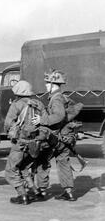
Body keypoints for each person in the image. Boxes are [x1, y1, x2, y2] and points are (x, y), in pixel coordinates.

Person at [32, 69, 77, 201]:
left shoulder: (56, 99)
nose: (46, 85)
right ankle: (68, 192)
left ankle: (41, 191)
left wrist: (42, 120)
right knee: (63, 162)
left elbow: (59, 116)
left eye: (47, 83)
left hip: (55, 137)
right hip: (64, 137)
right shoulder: (62, 97)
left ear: (53, 84)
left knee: (42, 161)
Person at [4, 80, 47, 205]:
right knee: (23, 167)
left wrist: (12, 132)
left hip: (20, 143)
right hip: (35, 143)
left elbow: (8, 123)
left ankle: (22, 195)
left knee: (11, 170)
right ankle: (34, 190)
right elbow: (45, 120)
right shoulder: (38, 104)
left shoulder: (16, 104)